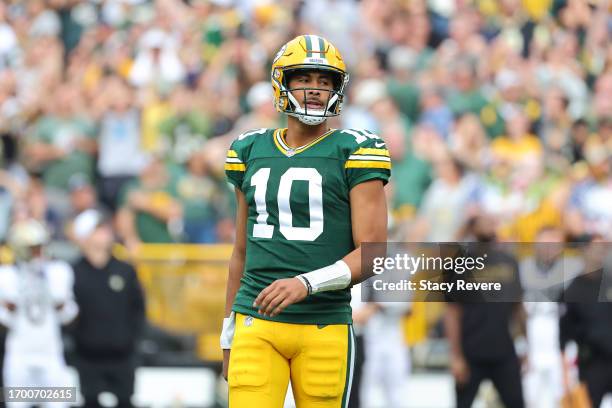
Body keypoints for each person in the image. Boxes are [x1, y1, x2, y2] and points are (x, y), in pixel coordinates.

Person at [220, 35, 390, 408]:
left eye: (325, 81)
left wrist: (306, 283)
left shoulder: (356, 150)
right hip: (255, 318)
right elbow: (240, 252)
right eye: (304, 79)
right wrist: (228, 333)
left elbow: (374, 253)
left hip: (323, 321)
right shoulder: (249, 149)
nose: (315, 89)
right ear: (282, 82)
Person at [69, 209, 145, 408]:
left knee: (125, 401)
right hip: (87, 355)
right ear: (85, 235)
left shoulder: (125, 270)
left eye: (105, 227)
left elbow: (138, 309)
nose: (106, 232)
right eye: (98, 229)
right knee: (90, 401)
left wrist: (131, 339)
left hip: (122, 355)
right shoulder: (73, 272)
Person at [0, 219, 78, 408]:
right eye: (33, 248)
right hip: (19, 354)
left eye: (41, 247)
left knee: (58, 403)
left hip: (51, 353)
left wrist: (59, 302)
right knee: (16, 404)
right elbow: (3, 322)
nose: (39, 253)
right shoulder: (6, 275)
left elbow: (70, 316)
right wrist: (10, 306)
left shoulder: (59, 271)